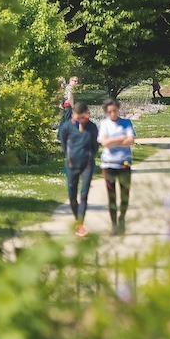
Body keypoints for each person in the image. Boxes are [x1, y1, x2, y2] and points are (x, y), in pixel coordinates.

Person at [56, 101, 98, 237]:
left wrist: (89, 157)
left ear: (86, 115)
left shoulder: (92, 127)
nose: (80, 120)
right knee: (72, 197)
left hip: (87, 165)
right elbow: (63, 143)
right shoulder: (67, 127)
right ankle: (76, 219)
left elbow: (95, 146)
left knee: (84, 195)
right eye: (77, 117)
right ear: (73, 115)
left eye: (82, 117)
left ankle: (80, 225)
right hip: (72, 165)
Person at [97, 98, 137, 235]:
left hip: (124, 163)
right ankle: (114, 224)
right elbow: (104, 143)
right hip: (109, 164)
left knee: (125, 195)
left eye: (115, 111)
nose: (113, 114)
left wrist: (112, 141)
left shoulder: (126, 123)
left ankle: (122, 219)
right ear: (106, 112)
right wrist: (121, 139)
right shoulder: (104, 124)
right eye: (110, 112)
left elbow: (130, 140)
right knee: (111, 196)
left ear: (118, 109)